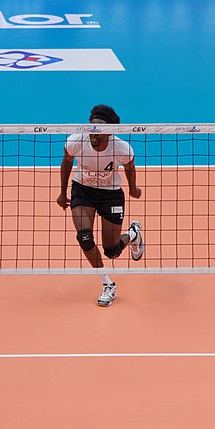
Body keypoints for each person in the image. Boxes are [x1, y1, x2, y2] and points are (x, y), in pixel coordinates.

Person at [56, 104, 145, 307]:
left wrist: (133, 188)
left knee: (111, 250)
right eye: (91, 129)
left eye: (98, 131)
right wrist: (62, 192)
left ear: (109, 133)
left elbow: (130, 166)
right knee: (84, 236)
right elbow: (67, 161)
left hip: (110, 195)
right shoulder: (76, 141)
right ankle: (107, 284)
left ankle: (133, 234)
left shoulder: (121, 148)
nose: (93, 134)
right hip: (83, 190)